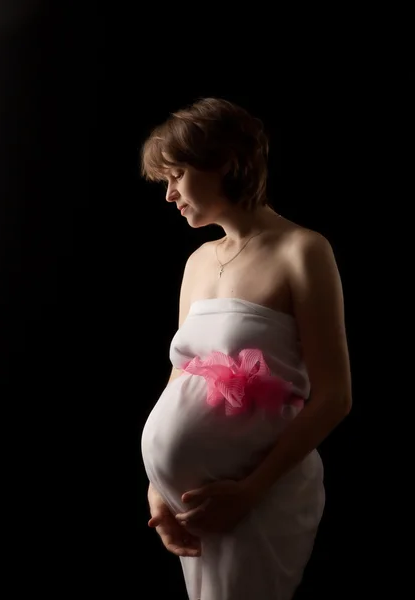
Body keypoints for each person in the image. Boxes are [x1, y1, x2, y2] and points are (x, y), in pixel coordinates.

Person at [140, 97, 352, 600]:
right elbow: (181, 377)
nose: (169, 195)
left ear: (226, 165)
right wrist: (157, 490)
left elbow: (334, 396)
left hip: (260, 499)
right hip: (194, 504)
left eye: (177, 175)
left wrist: (251, 491)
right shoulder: (196, 263)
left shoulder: (302, 251)